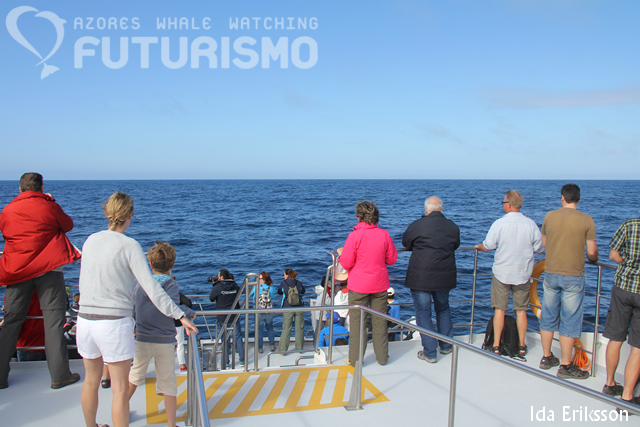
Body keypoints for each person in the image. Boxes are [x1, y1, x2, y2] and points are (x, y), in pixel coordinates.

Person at [77, 192, 197, 427]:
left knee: (90, 382)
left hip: (85, 321)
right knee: (120, 389)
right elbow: (152, 288)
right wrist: (180, 315)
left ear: (107, 211)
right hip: (112, 323)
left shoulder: (90, 240)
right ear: (130, 214)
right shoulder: (129, 245)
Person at [0, 172, 81, 389]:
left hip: (17, 270)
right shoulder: (49, 206)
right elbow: (67, 225)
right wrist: (51, 201)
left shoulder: (7, 210)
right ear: (41, 187)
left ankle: (0, 376)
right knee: (53, 322)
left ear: (20, 189)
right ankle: (60, 376)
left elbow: (6, 231)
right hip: (48, 269)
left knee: (11, 321)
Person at [128, 241, 196, 427]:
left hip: (142, 338)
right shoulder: (170, 284)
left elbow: (133, 308)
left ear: (150, 265)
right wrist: (189, 313)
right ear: (172, 265)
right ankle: (171, 424)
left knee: (134, 377)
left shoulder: (139, 283)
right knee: (168, 383)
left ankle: (121, 408)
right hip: (164, 340)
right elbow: (172, 307)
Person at [539, 184, 598, 379]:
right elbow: (592, 253)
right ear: (578, 199)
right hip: (573, 275)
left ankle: (546, 357)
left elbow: (544, 243)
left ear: (562, 197)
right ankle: (565, 366)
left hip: (550, 272)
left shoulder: (549, 216)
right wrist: (594, 258)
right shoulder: (586, 219)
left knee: (548, 316)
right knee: (570, 320)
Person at [474, 190, 542, 356]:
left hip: (502, 273)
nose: (503, 205)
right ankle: (521, 345)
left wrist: (480, 247)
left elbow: (489, 245)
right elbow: (538, 247)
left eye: (504, 202)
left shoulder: (500, 223)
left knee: (500, 310)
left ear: (509, 205)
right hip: (523, 273)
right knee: (521, 310)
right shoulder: (531, 224)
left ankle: (496, 345)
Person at [340, 201, 398, 366]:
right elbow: (392, 259)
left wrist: (342, 255)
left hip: (359, 287)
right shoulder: (384, 234)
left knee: (358, 325)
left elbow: (346, 263)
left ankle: (355, 359)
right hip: (379, 285)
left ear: (359, 216)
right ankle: (382, 358)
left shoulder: (354, 236)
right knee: (380, 323)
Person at [402, 196, 460, 364]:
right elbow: (456, 244)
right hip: (444, 276)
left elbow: (406, 243)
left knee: (423, 312)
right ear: (441, 209)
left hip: (421, 277)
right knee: (443, 309)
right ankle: (446, 345)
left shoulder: (417, 225)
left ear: (426, 210)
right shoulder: (452, 226)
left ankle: (430, 352)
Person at [602, 217, 640, 405]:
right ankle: (627, 396)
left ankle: (610, 384)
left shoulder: (629, 225)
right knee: (638, 347)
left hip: (623, 287)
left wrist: (626, 264)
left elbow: (613, 255)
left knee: (615, 338)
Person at [209, 269, 245, 367]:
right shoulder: (235, 285)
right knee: (238, 336)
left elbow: (211, 298)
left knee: (225, 338)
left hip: (223, 316)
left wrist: (214, 285)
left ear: (221, 277)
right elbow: (239, 293)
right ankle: (242, 360)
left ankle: (225, 362)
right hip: (235, 315)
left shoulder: (217, 287)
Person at [249, 271, 278, 353]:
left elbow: (250, 294)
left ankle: (260, 347)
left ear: (263, 279)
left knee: (259, 330)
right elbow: (274, 293)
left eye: (260, 278)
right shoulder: (271, 288)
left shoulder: (256, 287)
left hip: (258, 311)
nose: (258, 280)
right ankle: (272, 345)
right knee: (270, 328)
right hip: (268, 311)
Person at [278, 268, 306, 351]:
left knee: (286, 328)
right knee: (299, 328)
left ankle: (283, 350)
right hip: (298, 307)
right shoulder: (298, 282)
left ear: (287, 275)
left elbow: (279, 291)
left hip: (288, 307)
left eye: (284, 274)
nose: (283, 276)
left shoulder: (283, 283)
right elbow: (303, 291)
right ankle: (299, 348)